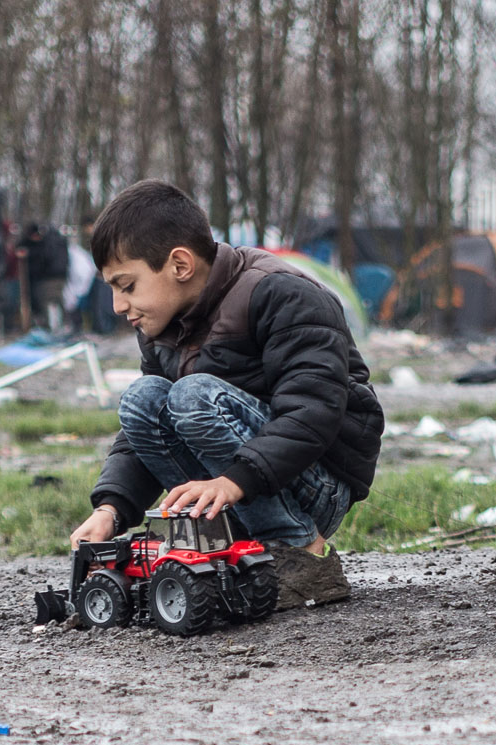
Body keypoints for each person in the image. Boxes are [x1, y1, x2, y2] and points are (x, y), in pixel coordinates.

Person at [69, 180, 383, 606]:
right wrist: (110, 508)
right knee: (143, 398)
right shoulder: (163, 325)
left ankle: (299, 551)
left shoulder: (281, 293)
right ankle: (229, 546)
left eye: (126, 286)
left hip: (315, 485)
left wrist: (235, 481)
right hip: (235, 487)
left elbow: (314, 412)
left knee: (191, 396)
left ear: (180, 265)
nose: (117, 306)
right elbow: (141, 436)